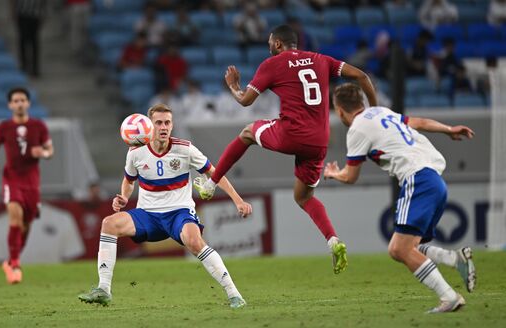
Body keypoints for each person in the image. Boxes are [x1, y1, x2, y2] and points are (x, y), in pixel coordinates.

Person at [195, 24, 378, 274]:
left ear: (278, 44)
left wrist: (233, 86)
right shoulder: (321, 59)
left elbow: (246, 101)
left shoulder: (272, 64)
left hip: (291, 133)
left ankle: (209, 184)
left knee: (247, 132)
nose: (268, 46)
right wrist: (374, 110)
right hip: (319, 140)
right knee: (304, 197)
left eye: (270, 42)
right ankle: (333, 240)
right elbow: (362, 77)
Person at [78, 104, 252, 308]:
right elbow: (129, 180)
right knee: (109, 223)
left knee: (193, 240)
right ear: (149, 126)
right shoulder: (136, 152)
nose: (163, 127)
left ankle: (234, 295)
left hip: (179, 212)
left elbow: (214, 173)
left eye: (167, 122)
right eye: (158, 122)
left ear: (172, 125)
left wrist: (238, 200)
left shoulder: (185, 149)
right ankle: (104, 289)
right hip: (148, 215)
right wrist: (124, 198)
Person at [323, 83, 476, 313]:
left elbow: (351, 175)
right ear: (362, 102)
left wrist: (333, 173)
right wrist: (449, 129)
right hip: (434, 180)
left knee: (398, 249)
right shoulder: (382, 112)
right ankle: (455, 260)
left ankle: (449, 297)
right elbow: (420, 122)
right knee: (411, 246)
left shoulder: (356, 129)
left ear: (340, 110)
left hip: (418, 181)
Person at [0, 87, 54, 284]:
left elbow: (50, 150)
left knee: (26, 224)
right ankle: (15, 263)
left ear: (28, 103)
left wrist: (43, 153)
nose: (19, 104)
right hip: (12, 178)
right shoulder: (3, 128)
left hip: (32, 182)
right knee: (15, 216)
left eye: (22, 100)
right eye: (15, 101)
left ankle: (10, 261)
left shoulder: (39, 126)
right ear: (10, 105)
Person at [11, 0, 47, 77]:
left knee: (34, 41)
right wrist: (13, 12)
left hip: (35, 14)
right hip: (22, 13)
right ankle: (24, 66)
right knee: (23, 40)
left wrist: (43, 14)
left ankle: (35, 68)